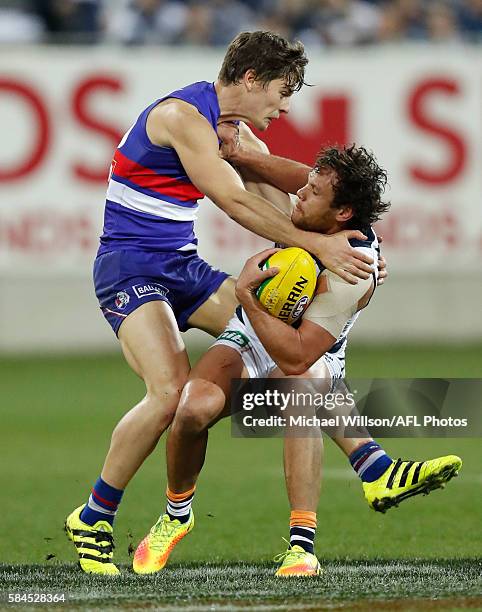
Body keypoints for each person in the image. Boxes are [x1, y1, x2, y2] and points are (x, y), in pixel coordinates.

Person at [64, 30, 376, 575]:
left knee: (294, 347)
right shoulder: (183, 116)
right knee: (169, 392)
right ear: (250, 79)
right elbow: (231, 198)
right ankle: (93, 516)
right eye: (282, 91)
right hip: (130, 268)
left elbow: (311, 191)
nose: (285, 105)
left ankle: (370, 469)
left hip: (182, 267)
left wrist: (364, 247)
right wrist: (318, 245)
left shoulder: (232, 129)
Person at [131, 140, 462, 576]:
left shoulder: (353, 268)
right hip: (253, 332)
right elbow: (296, 176)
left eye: (312, 192)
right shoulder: (315, 213)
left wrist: (247, 295)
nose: (300, 195)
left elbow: (296, 354)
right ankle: (176, 516)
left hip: (310, 350)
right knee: (192, 410)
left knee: (302, 387)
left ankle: (301, 545)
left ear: (343, 214)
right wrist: (244, 156)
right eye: (305, 186)